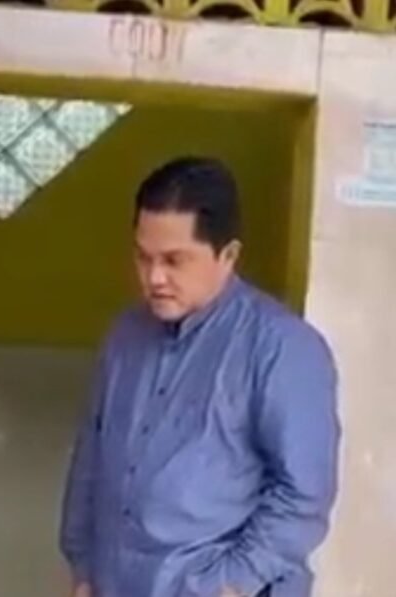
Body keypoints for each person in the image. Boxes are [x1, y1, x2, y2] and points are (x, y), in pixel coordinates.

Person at [60, 157, 340, 597]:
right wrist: (83, 567)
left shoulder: (283, 348)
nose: (155, 277)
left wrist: (231, 583)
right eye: (143, 257)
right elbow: (93, 455)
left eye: (174, 261)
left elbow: (302, 497)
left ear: (228, 256)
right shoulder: (126, 335)